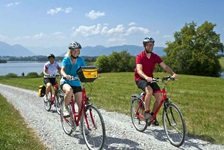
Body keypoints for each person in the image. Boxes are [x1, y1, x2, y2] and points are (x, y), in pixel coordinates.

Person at [134, 37, 178, 126]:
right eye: (149, 45)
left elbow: (164, 66)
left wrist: (173, 73)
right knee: (149, 91)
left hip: (150, 79)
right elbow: (139, 70)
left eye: (152, 45)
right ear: (145, 46)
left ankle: (152, 116)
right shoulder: (140, 56)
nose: (151, 46)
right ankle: (146, 112)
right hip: (140, 79)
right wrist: (146, 77)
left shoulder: (155, 56)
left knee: (160, 97)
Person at [60, 41, 86, 116]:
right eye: (74, 50)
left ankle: (81, 125)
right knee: (69, 91)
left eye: (78, 50)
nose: (76, 52)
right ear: (70, 51)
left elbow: (85, 69)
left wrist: (94, 74)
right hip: (66, 81)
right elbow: (62, 70)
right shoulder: (66, 59)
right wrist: (65, 75)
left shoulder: (80, 60)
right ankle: (65, 107)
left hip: (76, 82)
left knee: (80, 105)